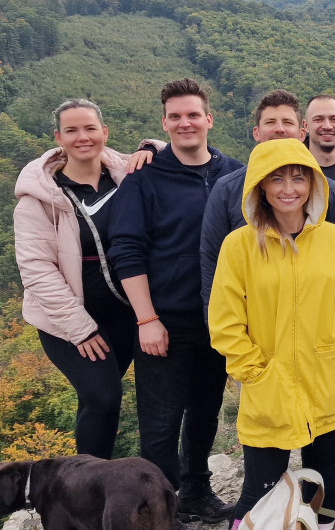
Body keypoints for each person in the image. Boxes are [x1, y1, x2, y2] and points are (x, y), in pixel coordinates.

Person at [207, 138, 335, 530]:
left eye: (299, 178)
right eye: (277, 179)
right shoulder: (238, 246)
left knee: (322, 479)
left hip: (328, 379)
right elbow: (225, 322)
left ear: (313, 184)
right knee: (259, 492)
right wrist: (254, 372)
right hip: (268, 386)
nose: (289, 188)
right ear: (261, 187)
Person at [108, 78, 242, 523]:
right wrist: (146, 319)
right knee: (161, 424)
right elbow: (126, 250)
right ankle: (161, 511)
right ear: (164, 123)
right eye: (176, 116)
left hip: (219, 318)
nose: (186, 123)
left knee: (205, 413)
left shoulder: (234, 174)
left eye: (193, 115)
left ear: (209, 119)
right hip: (164, 319)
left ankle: (197, 492)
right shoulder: (143, 179)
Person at [14, 99, 142, 459]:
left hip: (124, 314)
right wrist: (80, 329)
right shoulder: (40, 198)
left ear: (105, 132)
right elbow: (36, 270)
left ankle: (83, 478)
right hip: (67, 320)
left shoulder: (125, 177)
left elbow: (172, 151)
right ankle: (90, 481)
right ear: (59, 138)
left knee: (97, 399)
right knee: (103, 397)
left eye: (90, 128)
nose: (82, 137)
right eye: (71, 130)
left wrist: (149, 146)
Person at [200, 90, 335, 312]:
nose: (279, 129)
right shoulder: (227, 189)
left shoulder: (327, 191)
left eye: (287, 122)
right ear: (256, 132)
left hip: (317, 316)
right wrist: (214, 320)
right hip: (253, 318)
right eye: (270, 122)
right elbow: (211, 262)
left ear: (302, 133)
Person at [303, 94, 335, 181]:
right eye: (318, 119)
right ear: (306, 126)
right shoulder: (289, 167)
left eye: (334, 119)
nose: (327, 126)